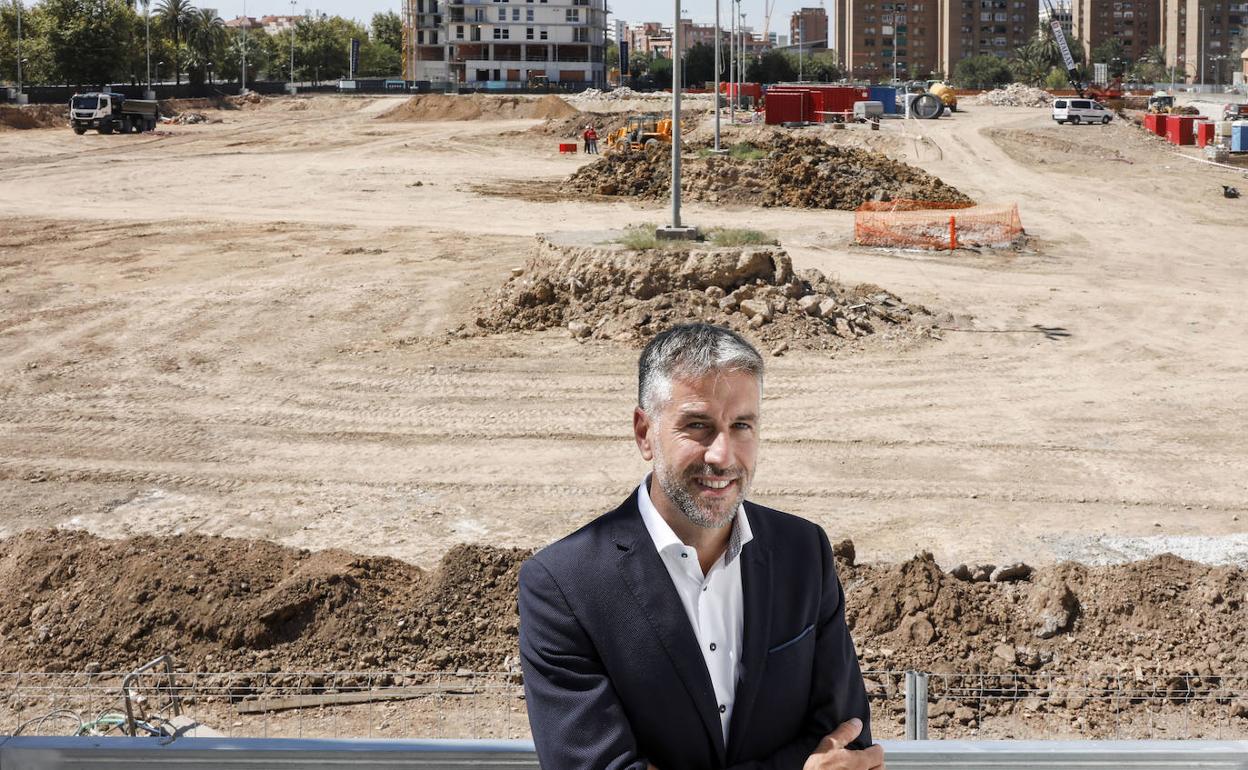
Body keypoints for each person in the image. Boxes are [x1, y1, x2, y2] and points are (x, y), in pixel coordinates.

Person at [519, 323, 881, 770]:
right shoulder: (564, 587)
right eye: (698, 426)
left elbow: (846, 740)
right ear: (643, 432)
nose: (723, 456)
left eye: (741, 425)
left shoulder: (803, 552)